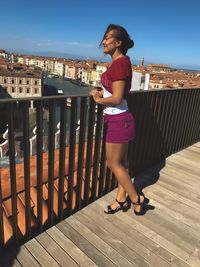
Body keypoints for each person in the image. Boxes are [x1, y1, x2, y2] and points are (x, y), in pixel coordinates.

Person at [90, 24, 148, 215]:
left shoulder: (120, 63)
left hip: (119, 120)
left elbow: (117, 98)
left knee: (113, 164)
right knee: (122, 164)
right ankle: (121, 199)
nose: (104, 41)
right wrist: (103, 90)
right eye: (104, 38)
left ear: (118, 42)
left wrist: (98, 99)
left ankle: (136, 198)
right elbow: (114, 91)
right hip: (120, 119)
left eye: (108, 38)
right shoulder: (120, 63)